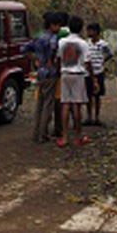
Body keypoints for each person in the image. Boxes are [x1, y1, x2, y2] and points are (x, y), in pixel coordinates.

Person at [21, 11, 62, 144]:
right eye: (58, 25)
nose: (59, 28)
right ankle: (43, 134)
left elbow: (24, 49)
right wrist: (50, 62)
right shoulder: (53, 39)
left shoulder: (38, 37)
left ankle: (36, 133)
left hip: (40, 73)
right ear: (52, 25)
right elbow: (53, 54)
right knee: (48, 105)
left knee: (39, 103)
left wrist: (35, 59)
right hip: (50, 73)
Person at [57, 15, 95, 147]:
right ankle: (77, 137)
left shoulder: (61, 42)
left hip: (65, 73)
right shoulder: (83, 44)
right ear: (81, 28)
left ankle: (65, 137)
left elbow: (58, 58)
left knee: (65, 105)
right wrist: (93, 78)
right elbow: (87, 62)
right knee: (76, 106)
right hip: (78, 74)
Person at [84, 22, 112, 126]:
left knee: (97, 96)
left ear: (95, 32)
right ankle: (89, 116)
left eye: (90, 30)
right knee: (88, 95)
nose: (88, 32)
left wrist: (102, 62)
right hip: (88, 72)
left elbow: (110, 54)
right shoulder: (86, 43)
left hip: (99, 71)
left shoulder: (103, 44)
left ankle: (97, 117)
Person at [52, 11, 70, 139]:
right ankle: (64, 126)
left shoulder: (59, 34)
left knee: (57, 99)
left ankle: (58, 127)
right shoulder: (68, 33)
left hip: (58, 69)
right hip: (70, 69)